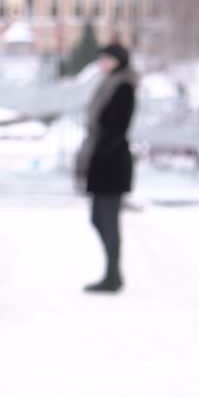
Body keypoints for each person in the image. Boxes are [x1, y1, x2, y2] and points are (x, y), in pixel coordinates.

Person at [76, 43, 137, 294]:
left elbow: (117, 127)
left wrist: (101, 152)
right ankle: (114, 274)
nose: (101, 63)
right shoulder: (109, 84)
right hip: (102, 160)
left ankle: (112, 276)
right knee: (99, 218)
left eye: (105, 58)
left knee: (107, 220)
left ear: (117, 61)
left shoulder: (123, 88)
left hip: (111, 162)